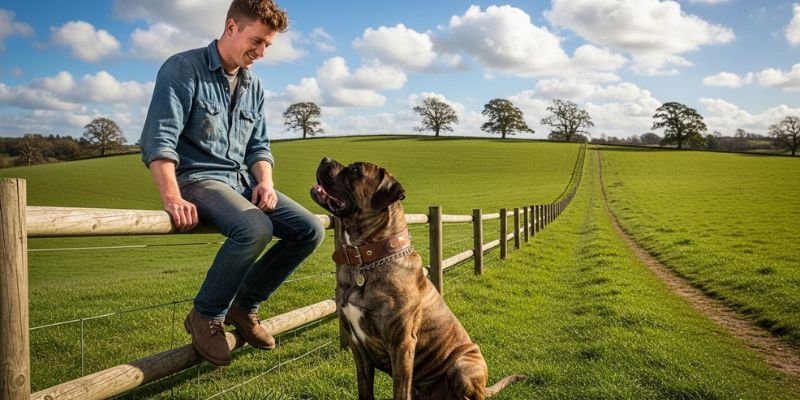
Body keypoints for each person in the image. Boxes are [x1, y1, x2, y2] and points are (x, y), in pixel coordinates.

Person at [139, 0, 324, 366]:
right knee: (255, 227)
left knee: (310, 230)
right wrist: (172, 197)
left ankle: (244, 306)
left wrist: (265, 182)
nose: (261, 52)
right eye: (256, 41)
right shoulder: (183, 68)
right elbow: (158, 140)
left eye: (267, 45)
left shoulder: (254, 85)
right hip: (197, 179)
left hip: (240, 181)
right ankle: (206, 315)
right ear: (231, 27)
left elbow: (259, 146)